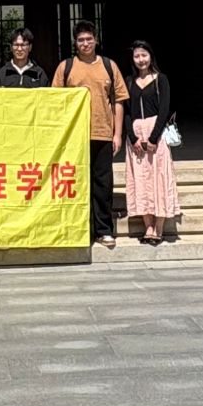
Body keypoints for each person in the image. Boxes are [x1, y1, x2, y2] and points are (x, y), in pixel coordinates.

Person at [52, 21, 128, 248]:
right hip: (74, 136)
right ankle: (79, 230)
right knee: (75, 182)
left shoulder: (109, 66)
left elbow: (119, 101)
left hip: (102, 133)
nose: (85, 43)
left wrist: (117, 134)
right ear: (75, 43)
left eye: (89, 39)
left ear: (96, 40)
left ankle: (104, 230)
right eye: (80, 40)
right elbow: (54, 101)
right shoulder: (66, 67)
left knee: (102, 184)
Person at [124, 39, 180, 244]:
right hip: (136, 135)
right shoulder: (129, 81)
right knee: (140, 179)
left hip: (156, 133)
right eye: (137, 56)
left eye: (144, 55)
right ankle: (147, 226)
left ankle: (159, 227)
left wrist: (154, 137)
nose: (141, 60)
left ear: (151, 57)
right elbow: (126, 112)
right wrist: (132, 138)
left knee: (159, 178)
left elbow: (164, 109)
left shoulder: (160, 79)